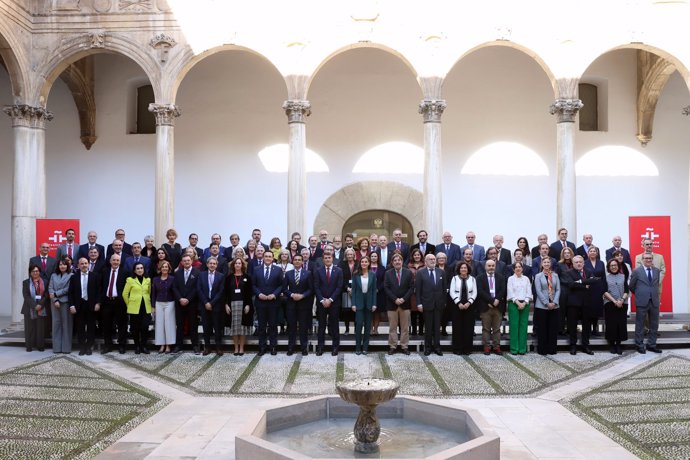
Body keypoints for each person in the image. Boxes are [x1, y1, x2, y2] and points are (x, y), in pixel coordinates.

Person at [562, 255, 597, 355]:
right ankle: (573, 345)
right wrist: (585, 283)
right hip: (573, 303)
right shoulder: (567, 273)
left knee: (587, 326)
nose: (578, 263)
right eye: (576, 262)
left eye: (580, 262)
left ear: (583, 263)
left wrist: (580, 281)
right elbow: (571, 284)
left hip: (586, 303)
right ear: (573, 264)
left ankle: (585, 345)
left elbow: (594, 281)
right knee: (572, 326)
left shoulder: (589, 271)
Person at [629, 253, 662, 354]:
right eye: (646, 258)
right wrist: (639, 294)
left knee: (654, 324)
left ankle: (652, 345)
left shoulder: (656, 271)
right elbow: (631, 286)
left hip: (654, 301)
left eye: (650, 258)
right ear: (642, 259)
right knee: (640, 324)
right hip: (642, 301)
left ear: (652, 259)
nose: (648, 260)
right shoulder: (637, 271)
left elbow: (656, 285)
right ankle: (639, 345)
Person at [252, 251, 283, 356]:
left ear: (273, 258)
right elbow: (253, 285)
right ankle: (262, 347)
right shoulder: (256, 269)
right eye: (266, 256)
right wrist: (259, 294)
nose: (268, 258)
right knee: (261, 326)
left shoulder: (278, 270)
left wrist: (274, 294)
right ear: (263, 257)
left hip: (273, 302)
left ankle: (273, 346)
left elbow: (281, 285)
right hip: (260, 302)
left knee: (273, 326)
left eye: (270, 256)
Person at [416, 253, 446, 356]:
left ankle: (437, 347)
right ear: (425, 261)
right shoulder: (420, 273)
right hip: (426, 304)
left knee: (437, 327)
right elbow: (418, 290)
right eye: (430, 259)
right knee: (428, 327)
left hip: (438, 305)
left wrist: (444, 302)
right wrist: (419, 303)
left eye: (434, 259)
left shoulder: (441, 272)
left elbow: (444, 289)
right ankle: (428, 347)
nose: (433, 261)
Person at [97, 253, 128, 354]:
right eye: (114, 260)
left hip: (120, 302)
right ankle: (107, 346)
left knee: (122, 325)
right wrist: (100, 301)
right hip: (107, 302)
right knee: (107, 325)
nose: (115, 262)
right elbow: (100, 286)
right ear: (110, 261)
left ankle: (122, 345)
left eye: (117, 260)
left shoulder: (125, 272)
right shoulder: (104, 271)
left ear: (120, 262)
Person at [384, 253, 414, 355]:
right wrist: (395, 299)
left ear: (402, 261)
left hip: (405, 304)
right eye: (395, 260)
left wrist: (403, 299)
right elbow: (386, 288)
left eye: (399, 260)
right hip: (392, 305)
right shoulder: (388, 273)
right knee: (392, 327)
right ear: (392, 262)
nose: (397, 262)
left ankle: (404, 346)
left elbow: (411, 288)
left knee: (405, 327)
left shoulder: (408, 273)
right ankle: (393, 346)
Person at [283, 254, 313, 356]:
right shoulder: (288, 274)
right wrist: (291, 295)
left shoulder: (308, 273)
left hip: (303, 304)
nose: (297, 261)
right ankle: (290, 348)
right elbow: (284, 289)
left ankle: (304, 348)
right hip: (291, 304)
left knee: (303, 327)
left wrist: (302, 295)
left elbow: (311, 289)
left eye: (299, 260)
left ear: (302, 262)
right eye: (295, 260)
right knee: (291, 326)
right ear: (293, 261)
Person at [314, 252, 343, 356]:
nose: (327, 259)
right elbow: (316, 286)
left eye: (329, 258)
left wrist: (330, 299)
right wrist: (322, 299)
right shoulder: (318, 271)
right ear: (323, 260)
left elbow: (339, 287)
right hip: (321, 303)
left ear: (332, 259)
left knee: (334, 325)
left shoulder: (338, 271)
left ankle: (335, 347)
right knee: (321, 326)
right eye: (325, 258)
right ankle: (320, 347)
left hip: (334, 303)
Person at [69, 257, 99, 355]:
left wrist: (98, 303)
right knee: (80, 327)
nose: (84, 265)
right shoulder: (74, 277)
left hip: (91, 305)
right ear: (78, 265)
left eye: (86, 263)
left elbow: (99, 290)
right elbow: (71, 293)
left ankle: (89, 346)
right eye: (82, 263)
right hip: (79, 305)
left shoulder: (94, 276)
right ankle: (82, 347)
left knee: (91, 327)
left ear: (89, 264)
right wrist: (71, 305)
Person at [478, 259, 507, 355]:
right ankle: (486, 347)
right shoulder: (480, 278)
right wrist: (491, 301)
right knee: (486, 329)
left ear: (495, 267)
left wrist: (497, 300)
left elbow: (503, 290)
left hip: (498, 307)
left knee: (497, 329)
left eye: (492, 266)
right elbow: (480, 291)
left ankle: (496, 347)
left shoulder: (501, 277)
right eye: (489, 266)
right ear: (485, 267)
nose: (491, 267)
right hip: (485, 306)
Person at [173, 254, 201, 354]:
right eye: (184, 261)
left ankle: (195, 346)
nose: (186, 262)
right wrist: (180, 298)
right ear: (182, 262)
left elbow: (197, 288)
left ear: (192, 261)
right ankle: (178, 346)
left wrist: (188, 299)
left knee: (193, 325)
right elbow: (174, 287)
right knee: (179, 325)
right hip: (180, 303)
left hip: (192, 302)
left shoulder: (197, 273)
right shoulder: (177, 273)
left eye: (188, 260)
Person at [225, 257, 253, 356]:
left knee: (242, 328)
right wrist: (226, 304)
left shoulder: (247, 277)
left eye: (239, 263)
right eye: (236, 263)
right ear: (233, 265)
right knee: (234, 328)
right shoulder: (229, 278)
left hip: (243, 305)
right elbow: (226, 293)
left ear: (242, 265)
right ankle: (235, 348)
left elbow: (249, 293)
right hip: (232, 305)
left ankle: (241, 348)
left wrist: (248, 305)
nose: (237, 265)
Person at [198, 256, 225, 355]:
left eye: (214, 263)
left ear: (217, 265)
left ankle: (218, 347)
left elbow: (221, 291)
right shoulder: (201, 275)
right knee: (206, 327)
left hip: (216, 305)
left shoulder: (221, 276)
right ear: (207, 264)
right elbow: (199, 289)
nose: (212, 265)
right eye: (210, 263)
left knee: (217, 328)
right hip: (204, 305)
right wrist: (206, 302)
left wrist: (212, 303)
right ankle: (207, 347)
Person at [122, 262, 152, 354]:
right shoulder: (130, 279)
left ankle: (144, 346)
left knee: (145, 327)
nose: (140, 270)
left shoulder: (148, 280)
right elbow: (125, 294)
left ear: (144, 269)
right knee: (135, 328)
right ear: (134, 270)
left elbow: (149, 292)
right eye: (138, 268)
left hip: (145, 307)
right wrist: (129, 304)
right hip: (134, 307)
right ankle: (137, 346)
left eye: (141, 268)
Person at [449, 261, 477, 355]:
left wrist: (469, 302)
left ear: (468, 269)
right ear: (459, 269)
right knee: (457, 328)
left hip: (469, 306)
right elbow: (452, 292)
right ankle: (457, 348)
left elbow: (475, 293)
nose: (463, 269)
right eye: (462, 268)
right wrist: (458, 303)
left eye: (465, 268)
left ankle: (467, 349)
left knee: (468, 328)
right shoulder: (454, 278)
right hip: (457, 306)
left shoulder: (472, 279)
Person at [533, 257, 560, 355]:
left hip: (554, 305)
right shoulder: (538, 276)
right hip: (542, 306)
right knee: (542, 329)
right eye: (544, 262)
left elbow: (558, 290)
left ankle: (552, 349)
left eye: (548, 262)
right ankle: (542, 350)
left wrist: (555, 302)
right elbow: (538, 291)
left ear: (551, 264)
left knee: (553, 328)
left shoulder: (555, 275)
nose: (547, 264)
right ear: (542, 264)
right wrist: (546, 303)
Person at [351, 256, 377, 355]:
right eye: (362, 262)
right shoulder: (356, 275)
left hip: (369, 302)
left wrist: (374, 303)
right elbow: (354, 290)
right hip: (358, 303)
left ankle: (365, 347)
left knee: (367, 326)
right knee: (358, 325)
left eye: (366, 262)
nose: (364, 263)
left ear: (369, 263)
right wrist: (353, 304)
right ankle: (358, 347)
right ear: (360, 263)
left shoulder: (372, 275)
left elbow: (374, 290)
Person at [603, 258, 629, 355]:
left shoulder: (623, 276)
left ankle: (618, 344)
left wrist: (622, 300)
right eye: (611, 265)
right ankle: (612, 344)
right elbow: (604, 291)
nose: (614, 267)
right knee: (611, 324)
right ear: (609, 267)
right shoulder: (606, 277)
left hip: (622, 303)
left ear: (618, 266)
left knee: (620, 324)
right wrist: (614, 301)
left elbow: (626, 290)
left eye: (615, 265)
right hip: (610, 303)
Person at [506, 261, 532, 355]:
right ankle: (514, 349)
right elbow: (510, 291)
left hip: (525, 303)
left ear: (522, 268)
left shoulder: (526, 279)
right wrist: (517, 302)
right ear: (513, 269)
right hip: (513, 303)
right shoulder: (510, 279)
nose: (518, 268)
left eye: (519, 267)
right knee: (514, 326)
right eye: (516, 267)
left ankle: (522, 349)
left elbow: (529, 291)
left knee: (523, 326)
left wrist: (524, 302)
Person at [48, 259, 73, 353]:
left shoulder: (71, 275)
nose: (62, 266)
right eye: (60, 264)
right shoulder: (53, 275)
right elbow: (50, 288)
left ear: (67, 266)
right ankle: (57, 348)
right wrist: (55, 299)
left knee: (66, 325)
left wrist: (56, 294)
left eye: (64, 265)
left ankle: (66, 349)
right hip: (54, 303)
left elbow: (68, 289)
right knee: (56, 325)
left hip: (66, 302)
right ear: (58, 266)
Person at [152, 260, 176, 354]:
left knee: (169, 324)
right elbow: (153, 293)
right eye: (163, 267)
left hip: (170, 303)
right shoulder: (155, 279)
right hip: (158, 303)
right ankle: (161, 344)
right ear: (160, 268)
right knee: (159, 324)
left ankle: (168, 345)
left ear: (169, 268)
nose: (164, 268)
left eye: (166, 267)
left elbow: (174, 292)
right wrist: (153, 306)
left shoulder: (172, 279)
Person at [24, 263, 48, 352]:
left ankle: (40, 346)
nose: (35, 273)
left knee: (40, 328)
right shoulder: (26, 282)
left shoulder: (45, 281)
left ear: (39, 272)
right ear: (30, 272)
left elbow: (46, 295)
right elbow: (26, 296)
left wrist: (40, 305)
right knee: (29, 328)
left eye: (37, 271)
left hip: (41, 308)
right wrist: (34, 305)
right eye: (33, 271)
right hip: (29, 308)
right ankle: (29, 346)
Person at [584, 246, 606, 337]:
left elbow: (604, 276)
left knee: (597, 308)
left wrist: (604, 289)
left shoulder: (601, 263)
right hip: (589, 288)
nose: (593, 252)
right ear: (588, 253)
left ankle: (594, 329)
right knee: (589, 309)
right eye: (591, 251)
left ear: (597, 253)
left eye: (594, 251)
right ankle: (588, 329)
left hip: (598, 287)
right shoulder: (585, 263)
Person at [369, 251, 387, 339]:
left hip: (379, 293)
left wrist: (378, 289)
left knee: (377, 312)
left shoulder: (382, 268)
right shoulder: (366, 267)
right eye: (372, 256)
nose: (373, 258)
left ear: (378, 258)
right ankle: (370, 329)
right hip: (368, 293)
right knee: (369, 312)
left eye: (375, 256)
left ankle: (375, 329)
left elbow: (384, 281)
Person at [407, 248, 425, 336]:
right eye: (415, 255)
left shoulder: (425, 265)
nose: (417, 256)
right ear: (412, 256)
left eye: (418, 255)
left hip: (423, 291)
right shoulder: (409, 266)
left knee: (421, 312)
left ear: (421, 256)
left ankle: (421, 331)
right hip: (412, 293)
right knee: (413, 312)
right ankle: (414, 331)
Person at [340, 248, 357, 336]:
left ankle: (355, 330)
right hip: (345, 290)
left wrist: (354, 289)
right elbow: (341, 278)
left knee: (356, 311)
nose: (350, 256)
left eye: (351, 254)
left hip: (357, 290)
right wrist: (347, 288)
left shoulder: (358, 264)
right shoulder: (342, 264)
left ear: (354, 255)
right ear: (345, 256)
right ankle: (347, 329)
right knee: (347, 311)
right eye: (348, 254)